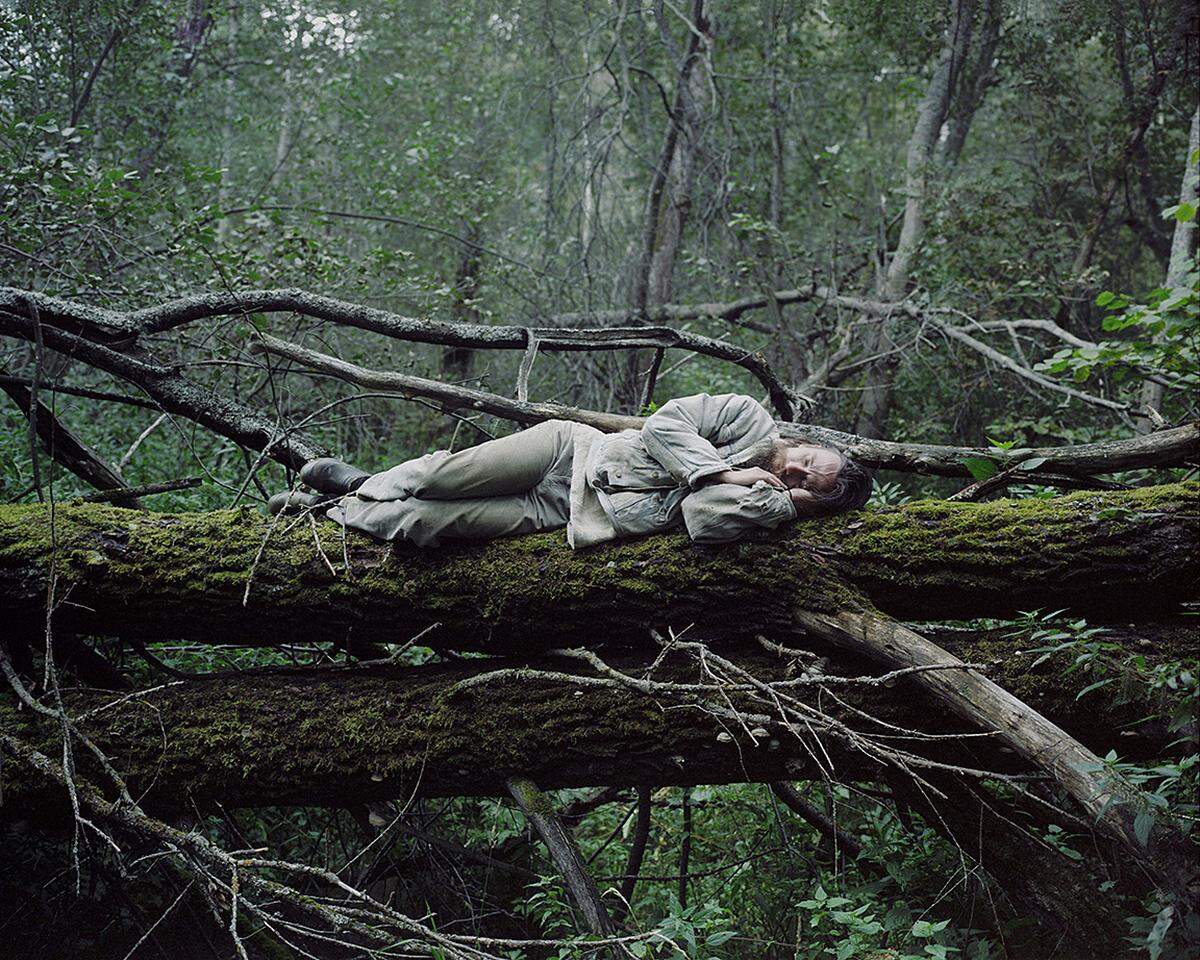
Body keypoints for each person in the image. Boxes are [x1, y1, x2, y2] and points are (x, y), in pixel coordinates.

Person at [268, 392, 873, 548]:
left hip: (569, 512)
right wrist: (724, 474)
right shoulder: (746, 419)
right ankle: (357, 480)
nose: (793, 467)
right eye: (809, 459)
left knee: (424, 528)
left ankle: (329, 512)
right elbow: (663, 427)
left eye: (804, 484)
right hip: (571, 452)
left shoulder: (769, 507)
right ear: (809, 442)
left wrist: (776, 502)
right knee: (436, 479)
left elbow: (698, 520)